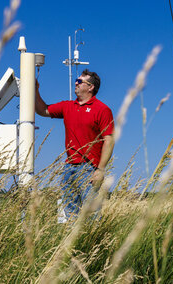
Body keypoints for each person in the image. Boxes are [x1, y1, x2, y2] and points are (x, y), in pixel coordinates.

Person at [35, 69, 114, 220]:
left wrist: (100, 169)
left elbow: (109, 140)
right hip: (69, 167)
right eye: (76, 81)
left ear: (90, 87)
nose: (75, 84)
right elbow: (42, 110)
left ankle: (93, 242)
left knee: (92, 217)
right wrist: (35, 90)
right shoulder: (68, 106)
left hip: (89, 169)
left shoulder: (102, 110)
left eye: (79, 82)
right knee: (71, 215)